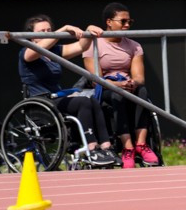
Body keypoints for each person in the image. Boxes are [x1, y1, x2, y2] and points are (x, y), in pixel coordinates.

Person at [19, 15, 117, 167]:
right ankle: (91, 148)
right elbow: (34, 52)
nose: (48, 33)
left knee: (93, 100)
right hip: (41, 103)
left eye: (49, 30)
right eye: (42, 31)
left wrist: (88, 32)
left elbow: (80, 47)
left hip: (56, 98)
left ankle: (106, 146)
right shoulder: (27, 52)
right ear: (32, 37)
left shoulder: (54, 51)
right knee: (83, 102)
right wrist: (64, 29)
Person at [83, 3, 160, 169]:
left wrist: (132, 83)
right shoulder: (93, 44)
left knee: (142, 90)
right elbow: (96, 78)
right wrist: (118, 85)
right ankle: (127, 147)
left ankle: (141, 144)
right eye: (123, 21)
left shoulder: (134, 46)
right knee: (117, 94)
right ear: (109, 22)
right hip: (105, 88)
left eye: (129, 22)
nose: (127, 25)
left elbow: (139, 77)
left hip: (127, 85)